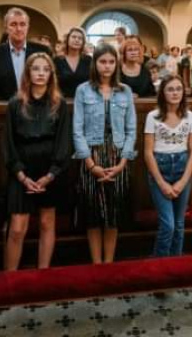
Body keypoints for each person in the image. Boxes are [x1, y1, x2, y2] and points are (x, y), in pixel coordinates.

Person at [3, 53, 71, 271]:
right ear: (28, 73)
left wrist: (51, 174)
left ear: (51, 75)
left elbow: (63, 142)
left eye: (45, 69)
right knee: (17, 228)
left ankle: (43, 274)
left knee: (46, 223)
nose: (41, 73)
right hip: (21, 170)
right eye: (36, 69)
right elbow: (8, 143)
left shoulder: (58, 103)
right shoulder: (15, 103)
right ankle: (10, 280)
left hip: (49, 171)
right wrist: (21, 175)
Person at [73, 43, 136, 264]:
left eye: (111, 61)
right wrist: (91, 165)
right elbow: (77, 130)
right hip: (92, 154)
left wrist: (122, 162)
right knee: (93, 214)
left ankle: (108, 263)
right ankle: (96, 264)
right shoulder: (83, 90)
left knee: (113, 214)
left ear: (116, 63)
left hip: (118, 154)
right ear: (95, 63)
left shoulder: (125, 91)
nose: (107, 66)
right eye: (102, 61)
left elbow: (131, 129)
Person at [144, 76, 192, 257]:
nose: (175, 93)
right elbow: (148, 152)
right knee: (168, 224)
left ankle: (176, 263)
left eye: (178, 89)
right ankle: (159, 265)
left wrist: (182, 182)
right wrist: (162, 183)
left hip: (182, 170)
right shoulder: (153, 116)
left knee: (179, 223)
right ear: (162, 92)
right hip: (160, 170)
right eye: (170, 89)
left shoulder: (190, 116)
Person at [0, 7, 51, 101]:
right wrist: (10, 106)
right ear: (6, 28)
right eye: (13, 24)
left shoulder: (43, 51)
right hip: (5, 109)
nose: (18, 29)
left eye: (22, 24)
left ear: (28, 27)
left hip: (38, 108)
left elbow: (51, 83)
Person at [55, 27, 92, 98]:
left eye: (80, 38)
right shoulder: (58, 60)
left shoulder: (88, 60)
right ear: (67, 39)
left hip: (84, 100)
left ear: (83, 42)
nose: (77, 40)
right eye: (74, 37)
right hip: (63, 101)